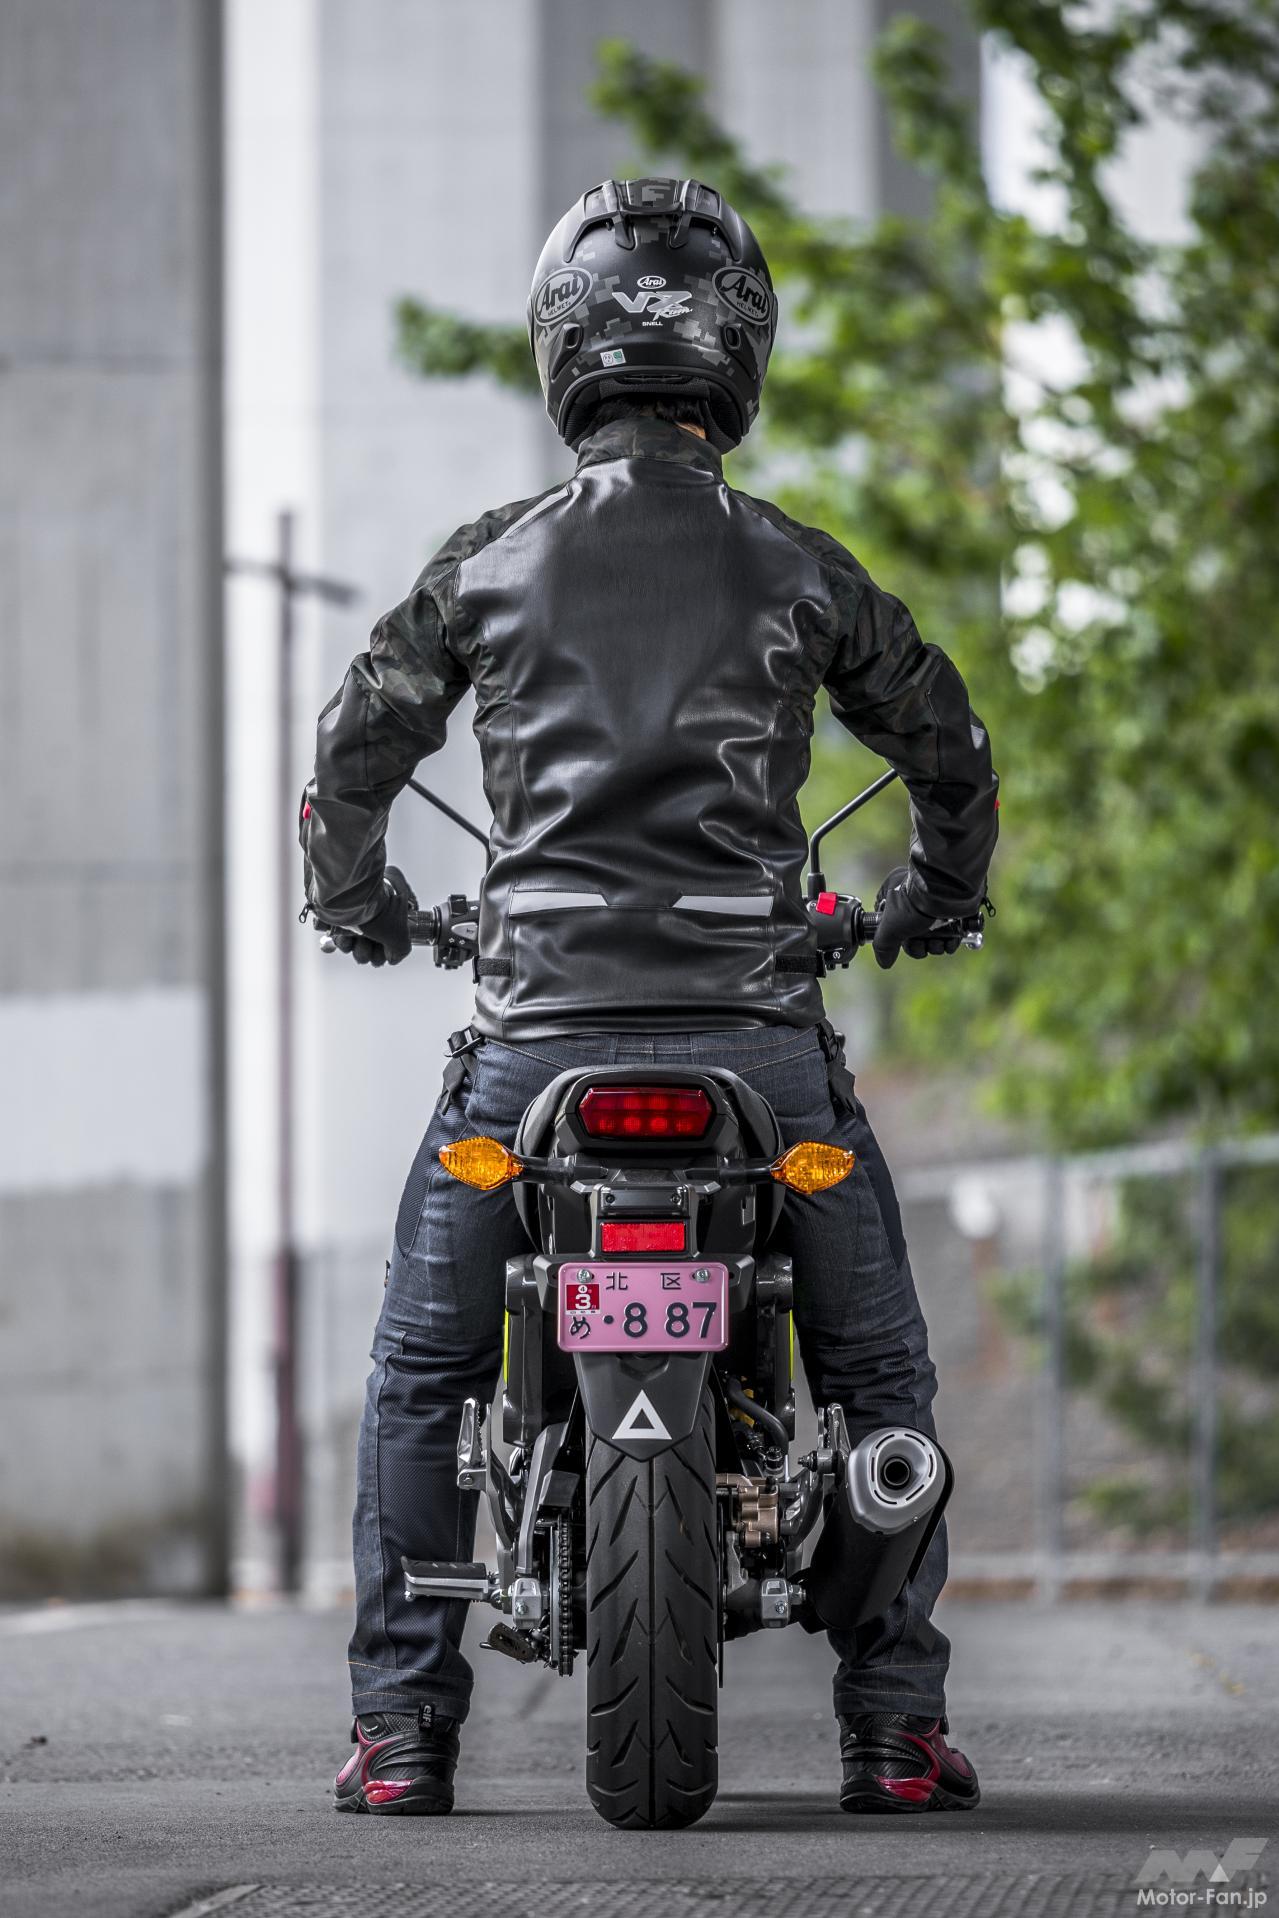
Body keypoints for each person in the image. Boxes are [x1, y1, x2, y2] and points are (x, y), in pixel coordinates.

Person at [302, 177, 998, 1818]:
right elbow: (950, 748)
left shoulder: (489, 562)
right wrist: (931, 895)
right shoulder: (799, 565)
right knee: (877, 1373)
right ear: (736, 349)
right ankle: (893, 1730)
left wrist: (364, 906)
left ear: (566, 344)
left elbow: (349, 760)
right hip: (760, 1046)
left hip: (529, 1050)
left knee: (420, 1372)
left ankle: (403, 1734)